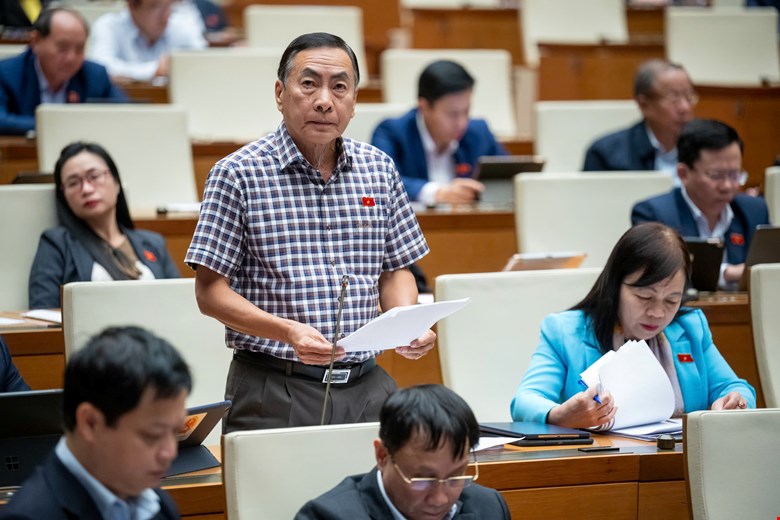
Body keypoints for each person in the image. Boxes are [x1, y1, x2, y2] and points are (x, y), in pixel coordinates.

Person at [185, 32, 434, 433]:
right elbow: (209, 293)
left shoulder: (380, 169)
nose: (324, 100)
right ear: (280, 93)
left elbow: (395, 269)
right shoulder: (237, 174)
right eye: (308, 83)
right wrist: (288, 331)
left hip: (368, 386)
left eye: (339, 87)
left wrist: (406, 322)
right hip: (273, 386)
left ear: (354, 101)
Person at [511, 223, 756, 430]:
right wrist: (559, 415)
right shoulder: (564, 332)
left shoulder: (690, 327)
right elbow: (525, 400)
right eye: (644, 297)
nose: (657, 313)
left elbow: (733, 387)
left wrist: (735, 401)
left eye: (672, 300)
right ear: (615, 285)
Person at [0, 326, 191, 519]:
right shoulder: (28, 516)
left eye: (175, 431)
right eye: (153, 435)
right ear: (90, 423)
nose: (170, 452)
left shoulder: (159, 505)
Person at [295, 384, 511, 520]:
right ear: (382, 456)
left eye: (455, 477)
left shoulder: (489, 507)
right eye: (423, 479)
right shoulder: (326, 516)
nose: (439, 498)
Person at [28, 141, 180, 309]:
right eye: (73, 183)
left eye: (94, 176)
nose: (86, 189)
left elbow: (180, 302)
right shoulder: (56, 243)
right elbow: (43, 313)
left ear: (116, 182)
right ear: (63, 196)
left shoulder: (153, 242)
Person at [631, 119, 770, 289]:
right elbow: (659, 278)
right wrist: (727, 273)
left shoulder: (754, 210)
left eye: (734, 175)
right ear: (683, 173)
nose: (727, 186)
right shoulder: (654, 215)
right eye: (715, 175)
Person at [371, 60, 507, 205]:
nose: (462, 123)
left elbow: (509, 176)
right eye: (452, 114)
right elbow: (382, 182)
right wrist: (437, 193)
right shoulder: (392, 133)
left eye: (466, 111)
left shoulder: (479, 132)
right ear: (424, 107)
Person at [0, 8, 127, 136]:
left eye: (79, 48)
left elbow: (126, 114)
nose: (71, 58)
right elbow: (2, 121)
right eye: (63, 47)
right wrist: (61, 125)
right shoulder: (6, 74)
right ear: (36, 41)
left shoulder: (95, 75)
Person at [582, 60, 696, 180]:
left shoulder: (704, 148)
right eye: (673, 98)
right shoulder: (606, 154)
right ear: (643, 104)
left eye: (688, 97)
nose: (685, 107)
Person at [87, 0, 207, 82]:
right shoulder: (108, 26)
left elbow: (205, 62)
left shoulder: (180, 26)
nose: (165, 15)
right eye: (155, 6)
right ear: (131, 5)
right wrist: (154, 70)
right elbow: (101, 68)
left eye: (169, 5)